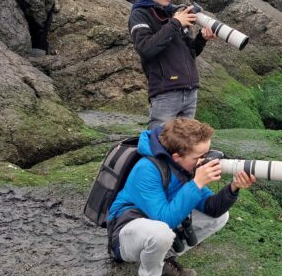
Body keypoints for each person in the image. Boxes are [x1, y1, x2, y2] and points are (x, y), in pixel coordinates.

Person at [106, 118, 256, 276]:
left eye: (207, 153)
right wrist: (197, 183)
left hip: (157, 225)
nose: (205, 161)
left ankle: (163, 257)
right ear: (176, 157)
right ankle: (151, 272)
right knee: (161, 233)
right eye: (200, 156)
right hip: (126, 235)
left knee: (220, 217)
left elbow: (212, 208)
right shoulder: (146, 169)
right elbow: (164, 220)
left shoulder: (183, 167)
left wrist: (233, 187)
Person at [129, 0, 216, 130]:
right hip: (165, 93)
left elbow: (190, 52)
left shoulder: (174, 13)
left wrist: (202, 38)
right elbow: (145, 48)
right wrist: (175, 23)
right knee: (159, 142)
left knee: (185, 144)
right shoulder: (139, 14)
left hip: (190, 91)